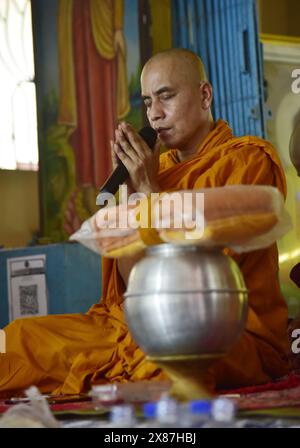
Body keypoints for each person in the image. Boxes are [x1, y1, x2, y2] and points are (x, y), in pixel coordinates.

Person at [0, 48, 291, 398]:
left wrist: (151, 190)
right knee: (16, 340)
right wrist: (135, 194)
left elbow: (202, 284)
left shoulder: (248, 160)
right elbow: (133, 284)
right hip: (136, 324)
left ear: (204, 95)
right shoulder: (155, 169)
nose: (154, 115)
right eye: (148, 101)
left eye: (166, 96)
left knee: (169, 361)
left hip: (224, 331)